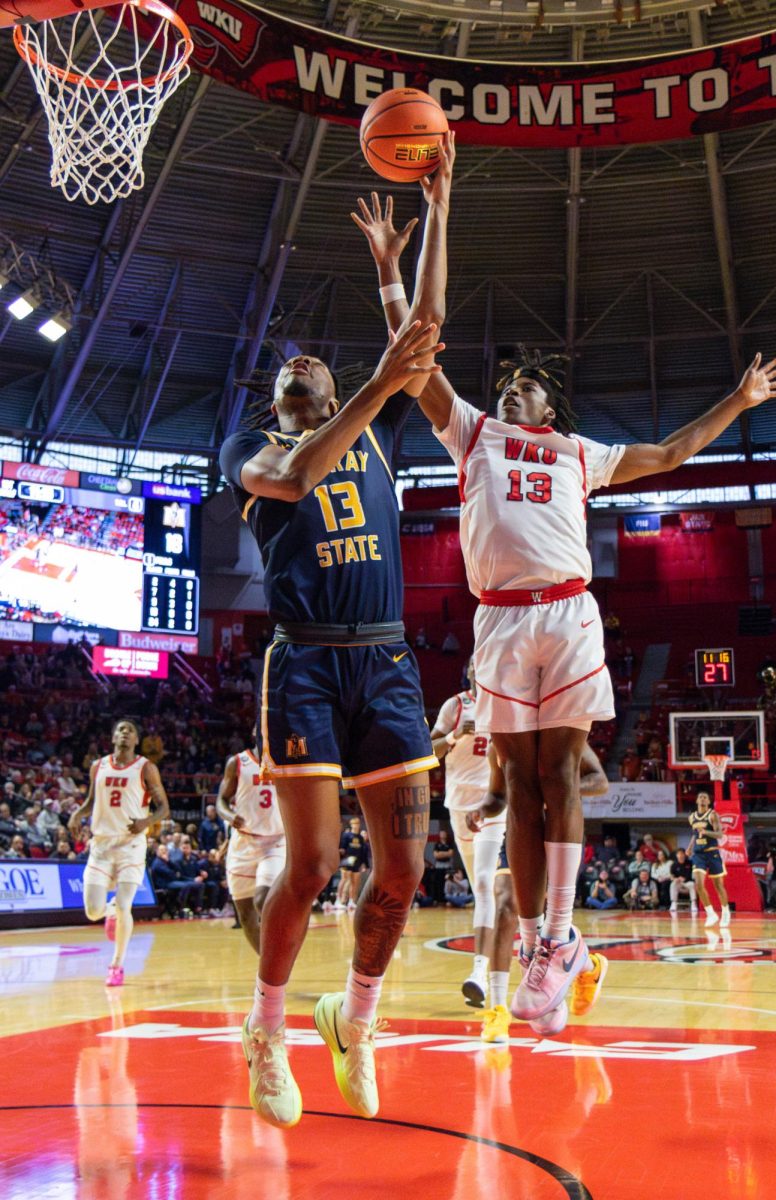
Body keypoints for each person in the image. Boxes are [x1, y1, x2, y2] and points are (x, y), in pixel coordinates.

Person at [354, 127, 776, 1027]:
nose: (511, 388)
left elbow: (670, 451)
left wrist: (740, 403)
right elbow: (415, 359)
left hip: (565, 613)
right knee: (517, 786)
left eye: (526, 385)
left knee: (559, 770)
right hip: (500, 623)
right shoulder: (473, 432)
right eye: (506, 381)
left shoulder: (581, 453)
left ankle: (555, 936)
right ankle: (555, 941)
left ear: (552, 404)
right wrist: (397, 266)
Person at [218, 320, 443, 1128]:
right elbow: (299, 474)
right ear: (282, 399)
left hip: (385, 662)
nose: (301, 361)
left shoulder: (381, 428)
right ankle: (266, 1030)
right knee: (310, 862)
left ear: (337, 392)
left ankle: (354, 1020)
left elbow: (425, 326)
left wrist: (438, 205)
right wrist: (377, 383)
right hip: (306, 661)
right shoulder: (247, 445)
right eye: (289, 366)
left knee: (405, 870)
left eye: (314, 360)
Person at [478, 743, 610, 1044]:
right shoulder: (496, 745)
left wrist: (557, 788)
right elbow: (497, 797)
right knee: (504, 907)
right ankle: (499, 1010)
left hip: (559, 830)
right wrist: (482, 810)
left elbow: (600, 781)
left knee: (551, 928)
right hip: (519, 831)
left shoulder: (557, 731)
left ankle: (589, 968)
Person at [68, 718, 169, 986]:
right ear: (113, 737)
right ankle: (109, 910)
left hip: (131, 845)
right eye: (121, 729)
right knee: (92, 911)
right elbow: (92, 800)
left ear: (137, 740)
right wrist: (78, 814)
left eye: (131, 730)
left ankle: (117, 965)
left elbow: (163, 807)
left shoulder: (146, 768)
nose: (125, 733)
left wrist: (146, 823)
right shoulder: (97, 766)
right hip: (101, 845)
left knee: (126, 904)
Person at [431, 658, 504, 1006]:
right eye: (477, 665)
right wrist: (453, 735)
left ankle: (479, 973)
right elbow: (428, 751)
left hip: (493, 804)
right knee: (481, 891)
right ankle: (498, 961)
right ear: (470, 671)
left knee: (487, 885)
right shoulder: (455, 705)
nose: (482, 669)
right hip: (458, 808)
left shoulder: (504, 704)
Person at [216, 748, 286, 951]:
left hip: (276, 841)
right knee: (246, 916)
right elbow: (221, 800)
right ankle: (267, 967)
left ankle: (278, 960)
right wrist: (230, 816)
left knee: (263, 900)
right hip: (243, 842)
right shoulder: (237, 762)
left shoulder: (286, 761)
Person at [688, 790, 731, 927]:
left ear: (708, 801)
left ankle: (725, 911)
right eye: (700, 797)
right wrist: (689, 847)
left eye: (705, 797)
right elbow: (695, 834)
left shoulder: (713, 815)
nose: (702, 799)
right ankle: (711, 914)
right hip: (699, 854)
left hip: (712, 853)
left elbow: (719, 835)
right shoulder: (691, 817)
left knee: (718, 885)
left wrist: (706, 831)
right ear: (696, 801)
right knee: (698, 884)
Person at [337, 817, 369, 910]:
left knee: (355, 882)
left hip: (357, 862)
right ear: (351, 825)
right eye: (354, 824)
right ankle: (338, 900)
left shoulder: (360, 838)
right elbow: (342, 849)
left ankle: (352, 901)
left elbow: (363, 853)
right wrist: (343, 856)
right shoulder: (346, 835)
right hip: (347, 861)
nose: (356, 826)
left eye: (357, 824)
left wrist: (365, 864)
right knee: (344, 879)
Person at [669, 848, 698, 914]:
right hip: (679, 883)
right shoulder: (674, 865)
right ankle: (673, 903)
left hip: (688, 882)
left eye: (682, 853)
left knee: (692, 884)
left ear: (684, 855)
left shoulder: (690, 863)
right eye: (679, 854)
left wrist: (685, 879)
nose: (681, 855)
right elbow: (671, 876)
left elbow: (693, 874)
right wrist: (675, 879)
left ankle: (693, 903)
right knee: (673, 884)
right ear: (676, 855)